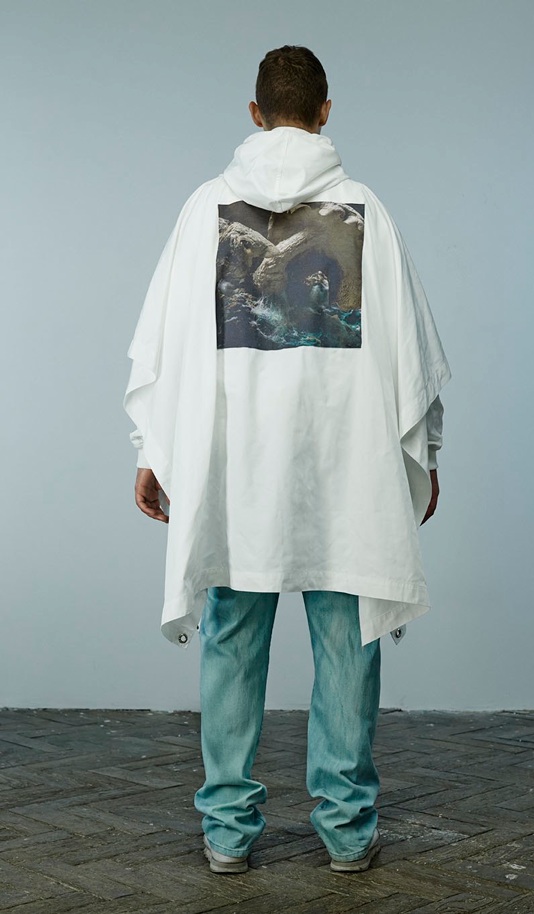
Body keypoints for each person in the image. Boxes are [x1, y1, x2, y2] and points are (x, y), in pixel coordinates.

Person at [123, 45, 451, 875]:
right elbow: (412, 359)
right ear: (326, 112)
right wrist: (426, 455)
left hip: (236, 472)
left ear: (255, 112)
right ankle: (346, 831)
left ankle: (228, 834)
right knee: (346, 640)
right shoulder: (366, 210)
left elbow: (163, 353)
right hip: (345, 469)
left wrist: (153, 454)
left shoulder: (205, 208)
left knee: (232, 636)